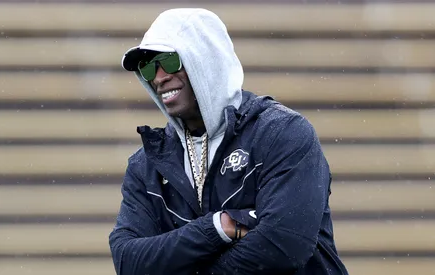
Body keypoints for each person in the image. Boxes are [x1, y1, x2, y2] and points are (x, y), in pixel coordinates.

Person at [109, 8, 349, 275]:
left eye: (170, 60)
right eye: (149, 66)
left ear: (205, 58)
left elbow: (283, 245)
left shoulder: (282, 133)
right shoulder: (147, 164)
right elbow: (128, 261)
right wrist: (218, 228)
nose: (159, 77)